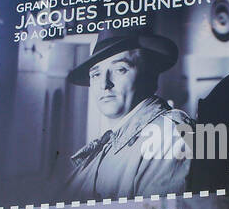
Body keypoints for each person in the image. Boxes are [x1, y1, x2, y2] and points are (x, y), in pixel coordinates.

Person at [62, 29, 193, 199]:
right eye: (96, 74)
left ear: (149, 75)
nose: (104, 84)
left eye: (120, 69)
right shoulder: (105, 147)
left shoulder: (167, 134)